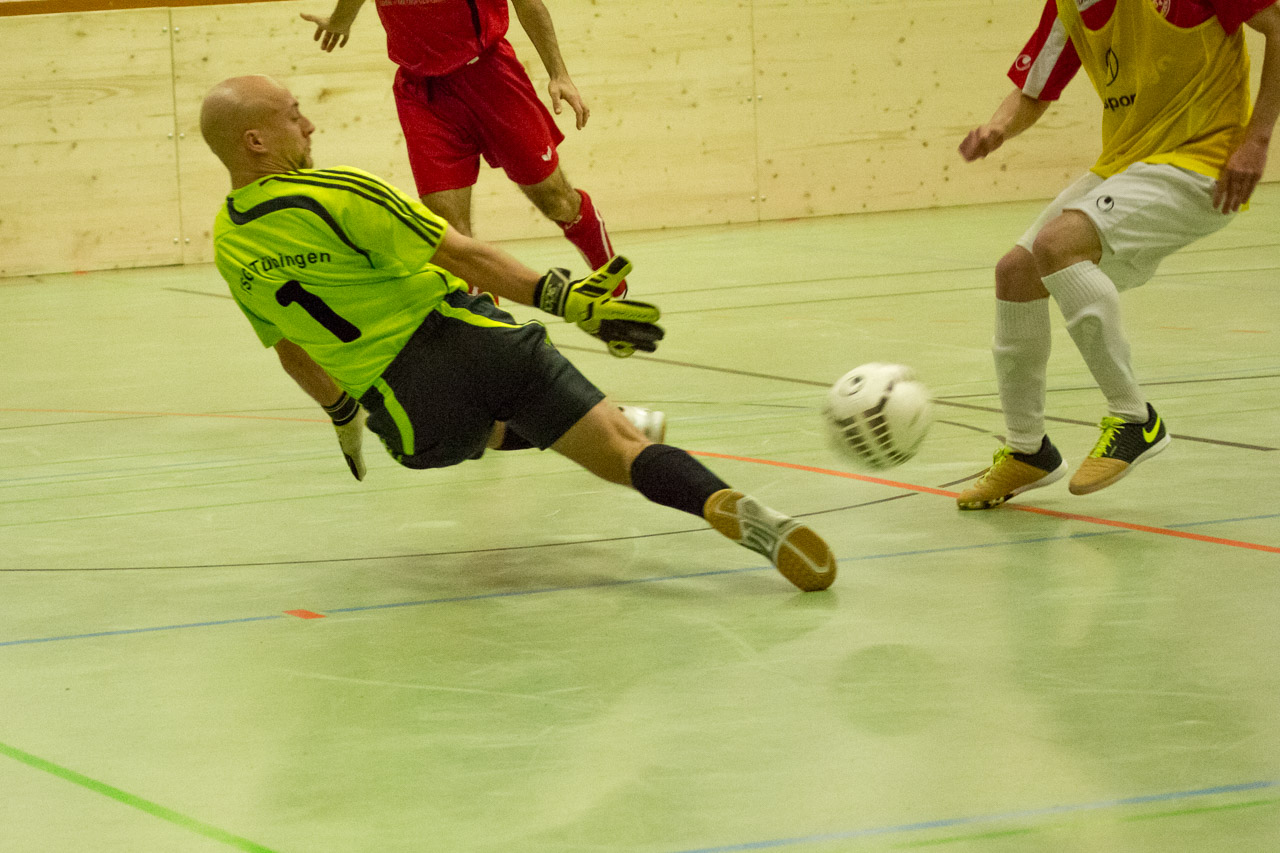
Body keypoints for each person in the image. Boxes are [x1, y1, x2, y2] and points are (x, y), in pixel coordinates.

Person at [197, 75, 837, 592]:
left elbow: (291, 349)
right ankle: (721, 502)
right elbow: (465, 255)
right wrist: (569, 300)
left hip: (407, 403)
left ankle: (566, 424)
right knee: (622, 451)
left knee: (429, 442)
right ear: (257, 140)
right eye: (294, 115)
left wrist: (342, 415)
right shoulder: (336, 191)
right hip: (476, 340)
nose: (309, 125)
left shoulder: (229, 243)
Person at [955, 0, 1280, 510]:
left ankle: (1135, 419)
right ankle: (1027, 451)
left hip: (1203, 162)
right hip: (1127, 163)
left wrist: (1257, 138)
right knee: (1016, 273)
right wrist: (998, 127)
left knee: (1057, 244)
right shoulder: (1069, 4)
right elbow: (1033, 89)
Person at [299, 0, 626, 296]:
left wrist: (559, 75)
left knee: (556, 201)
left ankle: (615, 291)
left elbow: (528, 4)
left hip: (490, 75)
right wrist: (340, 20)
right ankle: (492, 328)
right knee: (450, 232)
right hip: (421, 92)